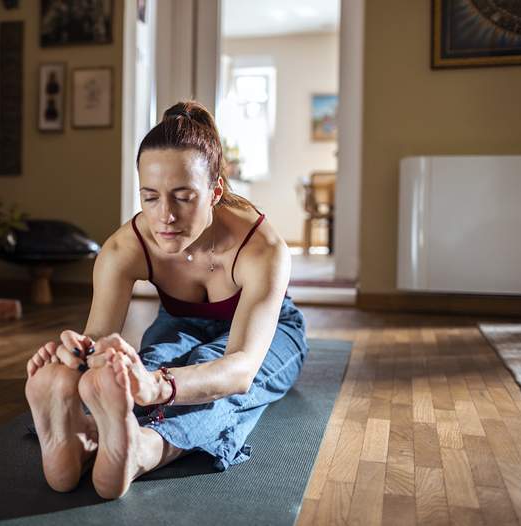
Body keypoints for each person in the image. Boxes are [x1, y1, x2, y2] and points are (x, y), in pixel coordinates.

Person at [24, 100, 308, 500]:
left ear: (214, 191)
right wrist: (79, 355)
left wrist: (157, 388)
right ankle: (86, 435)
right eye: (151, 197)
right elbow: (100, 337)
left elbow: (241, 368)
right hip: (180, 322)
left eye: (183, 197)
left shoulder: (263, 248)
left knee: (218, 389)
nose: (165, 216)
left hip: (272, 333)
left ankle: (144, 448)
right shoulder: (124, 247)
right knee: (134, 371)